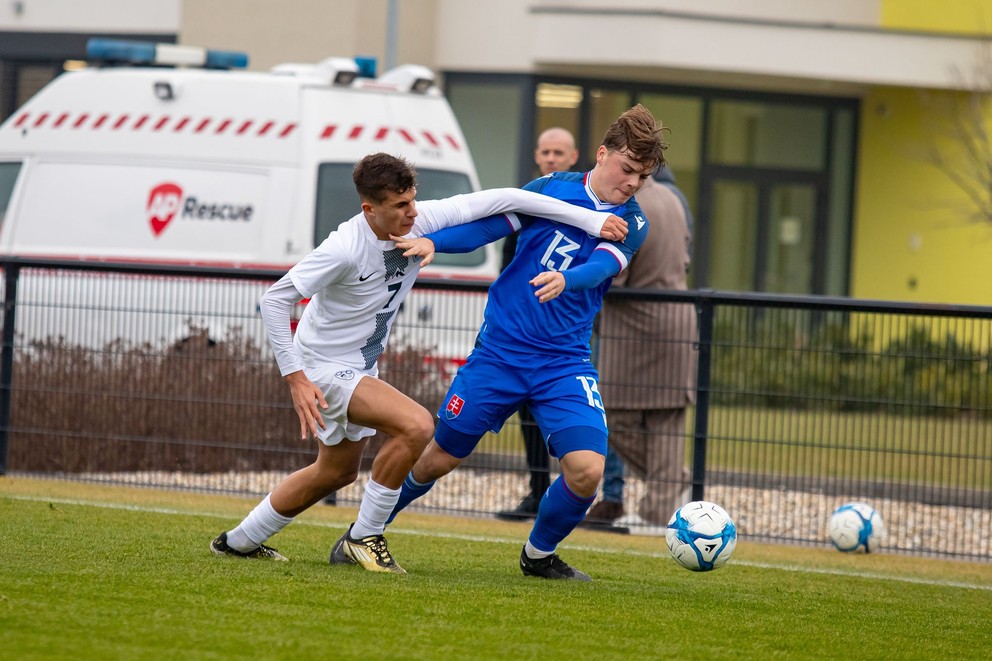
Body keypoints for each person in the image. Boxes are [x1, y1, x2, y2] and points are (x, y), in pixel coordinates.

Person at [209, 152, 629, 573]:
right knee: (416, 426)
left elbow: (506, 198)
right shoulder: (343, 248)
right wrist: (296, 378)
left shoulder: (418, 219)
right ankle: (364, 538)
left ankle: (238, 542)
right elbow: (274, 299)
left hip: (357, 367)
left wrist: (592, 223)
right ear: (369, 209)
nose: (412, 213)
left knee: (334, 472)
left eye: (413, 201)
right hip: (321, 366)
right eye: (400, 206)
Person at [386, 105, 668, 580]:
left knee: (586, 471)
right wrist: (437, 243)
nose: (634, 183)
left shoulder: (632, 221)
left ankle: (538, 556)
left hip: (565, 362)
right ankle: (367, 530)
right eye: (628, 169)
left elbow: (603, 265)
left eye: (643, 176)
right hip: (501, 353)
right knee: (438, 457)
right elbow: (490, 226)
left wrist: (568, 279)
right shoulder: (549, 188)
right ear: (602, 155)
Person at [592, 164, 697, 533]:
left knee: (614, 413)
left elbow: (615, 273)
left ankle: (658, 506)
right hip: (678, 317)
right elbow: (685, 258)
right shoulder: (672, 198)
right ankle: (668, 486)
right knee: (663, 421)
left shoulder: (631, 205)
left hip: (637, 325)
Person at [497, 126, 580, 521]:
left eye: (558, 153)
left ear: (574, 157)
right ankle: (536, 489)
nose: (551, 158)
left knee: (564, 416)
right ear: (536, 155)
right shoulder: (527, 201)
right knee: (525, 416)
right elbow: (506, 261)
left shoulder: (583, 210)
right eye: (545, 152)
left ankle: (572, 492)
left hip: (561, 337)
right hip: (520, 332)